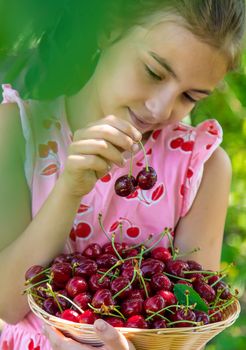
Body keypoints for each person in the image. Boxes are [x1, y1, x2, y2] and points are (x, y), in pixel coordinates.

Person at [0, 0, 245, 349]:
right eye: (154, 72)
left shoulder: (202, 167)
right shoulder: (18, 133)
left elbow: (192, 322)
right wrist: (69, 189)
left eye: (190, 96)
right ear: (109, 28)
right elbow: (8, 303)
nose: (161, 107)